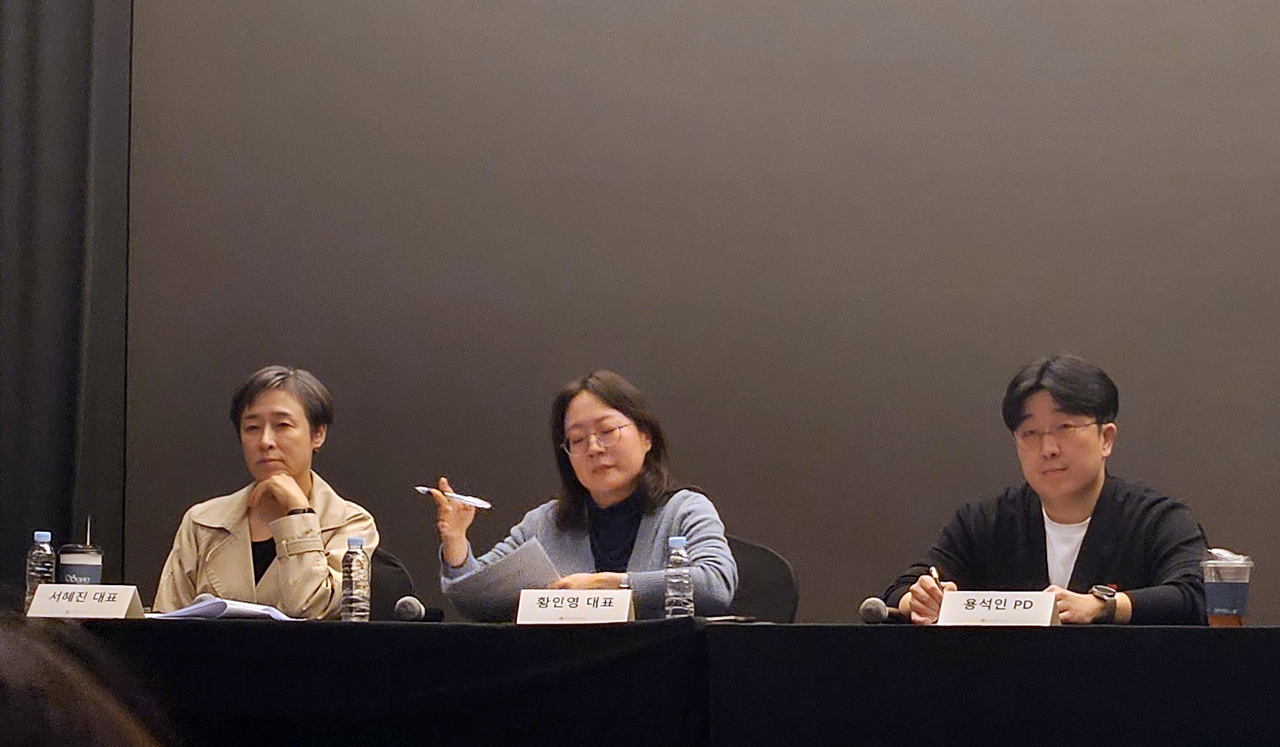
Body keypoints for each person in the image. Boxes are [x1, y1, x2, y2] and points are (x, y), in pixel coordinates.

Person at [885, 354, 1206, 625]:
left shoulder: (1156, 519)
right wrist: (920, 599)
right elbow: (901, 590)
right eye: (1029, 432)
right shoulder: (984, 522)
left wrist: (1103, 606)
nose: (1047, 448)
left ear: (1105, 438)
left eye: (1064, 427)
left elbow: (1197, 595)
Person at [431, 370, 738, 619]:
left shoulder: (684, 509)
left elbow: (714, 585)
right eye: (577, 439)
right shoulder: (545, 523)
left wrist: (612, 584)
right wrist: (456, 542)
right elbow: (477, 601)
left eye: (607, 431)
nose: (593, 448)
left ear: (646, 436)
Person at [153, 366, 379, 619]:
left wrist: (298, 512)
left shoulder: (351, 523)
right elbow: (166, 623)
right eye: (252, 428)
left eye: (282, 425)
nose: (265, 441)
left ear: (318, 434)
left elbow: (308, 609)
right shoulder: (202, 522)